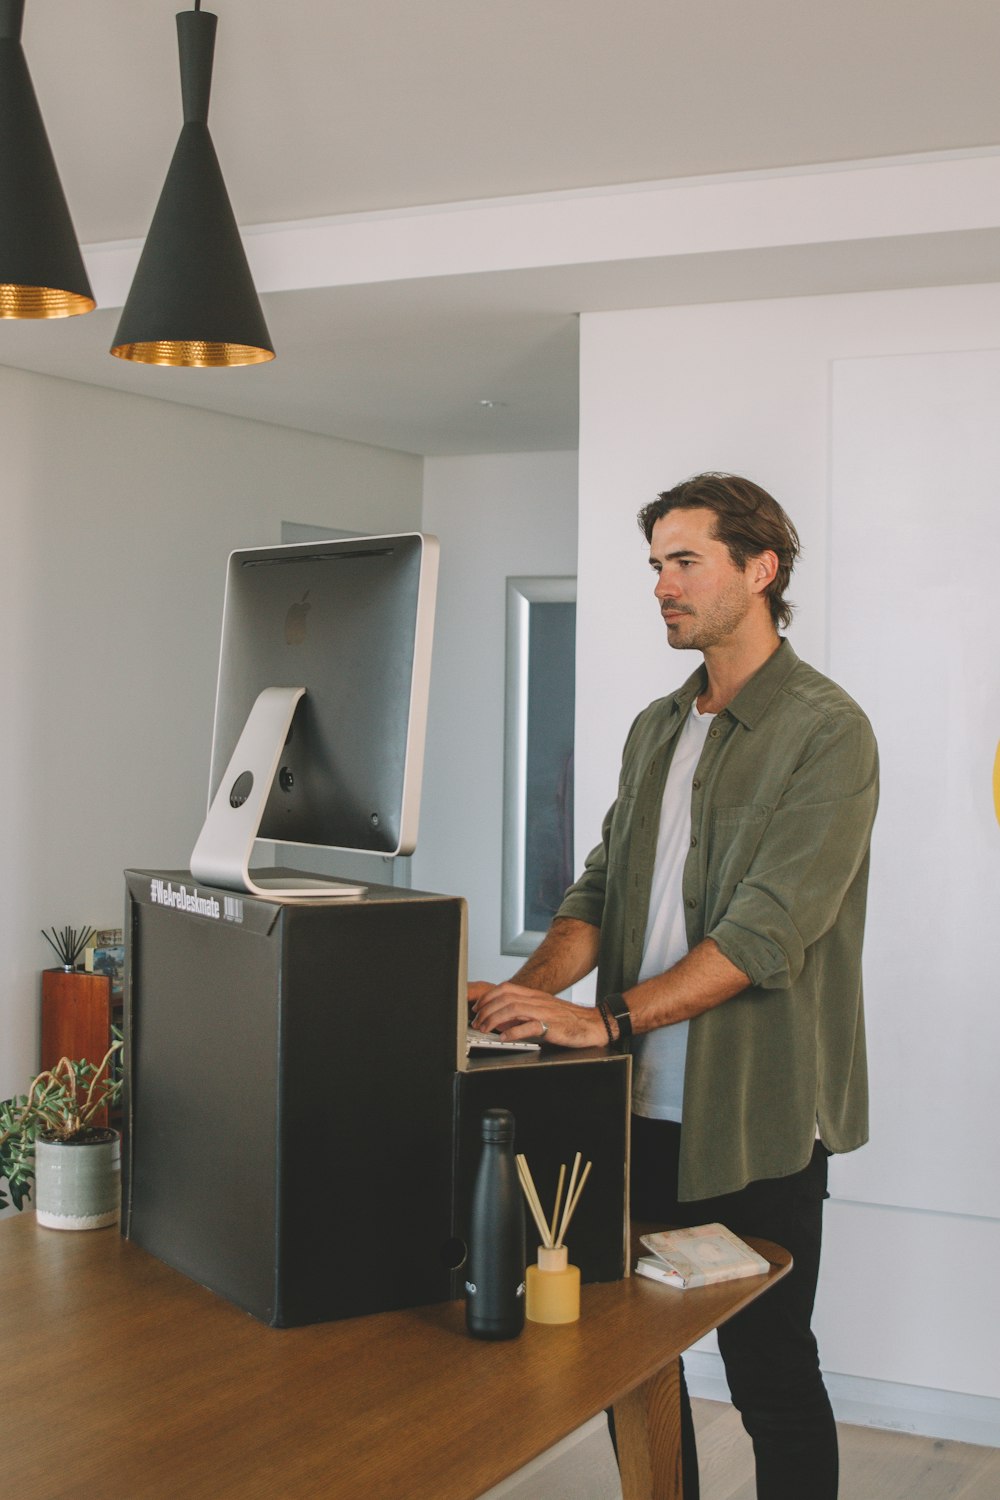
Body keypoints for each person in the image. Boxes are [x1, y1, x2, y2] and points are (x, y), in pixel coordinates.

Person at [470, 472, 878, 1500]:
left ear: (760, 568)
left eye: (685, 561)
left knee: (768, 1370)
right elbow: (599, 892)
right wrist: (519, 1005)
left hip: (757, 1116)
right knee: (626, 1366)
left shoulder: (828, 731)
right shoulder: (658, 727)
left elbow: (765, 933)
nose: (662, 584)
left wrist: (598, 1015)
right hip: (632, 1104)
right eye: (655, 564)